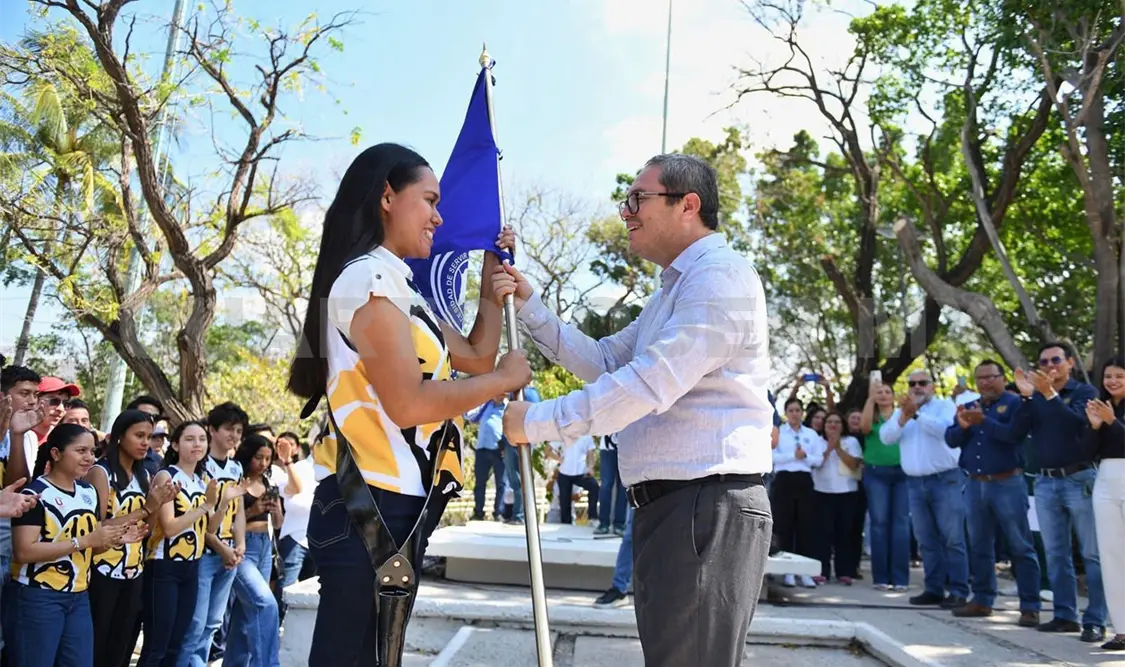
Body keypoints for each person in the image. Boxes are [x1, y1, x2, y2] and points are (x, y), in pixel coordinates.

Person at [498, 153, 773, 667]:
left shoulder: (720, 278)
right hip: (675, 508)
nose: (626, 212)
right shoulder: (672, 292)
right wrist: (529, 304)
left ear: (688, 205)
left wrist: (536, 422)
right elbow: (604, 360)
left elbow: (650, 382)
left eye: (637, 198)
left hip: (704, 506)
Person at [286, 143, 531, 666]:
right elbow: (408, 402)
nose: (439, 217)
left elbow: (476, 356)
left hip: (395, 504)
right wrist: (502, 381)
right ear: (387, 197)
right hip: (367, 504)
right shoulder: (368, 280)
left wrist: (491, 272)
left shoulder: (399, 285)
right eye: (430, 200)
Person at [4, 424, 145, 667]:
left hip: (78, 595)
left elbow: (91, 547)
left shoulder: (88, 491)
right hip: (38, 595)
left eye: (92, 451)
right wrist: (83, 541)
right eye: (81, 451)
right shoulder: (35, 493)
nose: (89, 457)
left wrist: (113, 539)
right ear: (56, 453)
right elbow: (24, 551)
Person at [1012, 342, 1106, 641]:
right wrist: (1027, 397)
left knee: (1092, 554)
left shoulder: (1085, 392)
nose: (1050, 365)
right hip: (1045, 482)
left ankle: (1096, 619)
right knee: (1055, 553)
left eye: (1056, 360)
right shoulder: (1036, 395)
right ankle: (1065, 616)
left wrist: (1050, 395)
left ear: (1070, 363)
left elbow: (1076, 425)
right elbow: (1017, 431)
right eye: (1044, 361)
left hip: (1079, 479)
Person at [943, 362, 1041, 626]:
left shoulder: (1015, 403)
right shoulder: (970, 406)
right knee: (979, 545)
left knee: (1020, 545)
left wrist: (984, 421)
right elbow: (950, 440)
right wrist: (963, 426)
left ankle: (1030, 606)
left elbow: (1013, 436)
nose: (984, 382)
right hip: (975, 484)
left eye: (990, 377)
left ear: (1002, 378)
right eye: (980, 378)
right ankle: (982, 600)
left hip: (1007, 482)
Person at [86, 410, 176, 667]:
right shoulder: (100, 473)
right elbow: (97, 528)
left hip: (133, 571)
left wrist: (159, 503)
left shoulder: (144, 475)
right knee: (97, 646)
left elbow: (146, 529)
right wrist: (146, 508)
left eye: (148, 436)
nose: (145, 443)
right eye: (139, 436)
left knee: (122, 647)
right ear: (119, 436)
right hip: (101, 570)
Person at [880, 370, 968, 609]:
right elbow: (886, 437)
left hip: (945, 480)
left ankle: (959, 590)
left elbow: (945, 432)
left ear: (933, 386)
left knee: (952, 538)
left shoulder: (944, 406)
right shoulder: (902, 412)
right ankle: (933, 589)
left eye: (922, 383)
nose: (917, 387)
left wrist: (916, 415)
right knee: (926, 539)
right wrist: (902, 418)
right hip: (915, 483)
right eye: (912, 383)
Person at [137, 421, 221, 667]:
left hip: (191, 566)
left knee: (177, 644)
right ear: (175, 445)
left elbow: (210, 529)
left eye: (202, 439)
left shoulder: (201, 480)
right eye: (189, 439)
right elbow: (170, 528)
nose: (197, 444)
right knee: (157, 646)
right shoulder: (167, 476)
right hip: (164, 565)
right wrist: (205, 506)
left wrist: (222, 502)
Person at [182, 401, 250, 667]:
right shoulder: (201, 466)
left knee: (212, 622)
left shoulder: (236, 468)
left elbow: (239, 510)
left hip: (229, 553)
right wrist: (223, 549)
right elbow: (202, 519)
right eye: (229, 429)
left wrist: (240, 544)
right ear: (212, 429)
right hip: (204, 551)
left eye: (239, 431)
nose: (234, 436)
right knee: (195, 623)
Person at [226, 433, 283, 667]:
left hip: (264, 546)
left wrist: (275, 509)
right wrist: (253, 510)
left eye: (268, 459)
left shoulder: (269, 484)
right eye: (259, 457)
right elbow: (229, 522)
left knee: (244, 614)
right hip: (243, 545)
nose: (263, 463)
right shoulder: (237, 481)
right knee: (265, 604)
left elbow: (278, 524)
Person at [1084, 356, 1125, 651]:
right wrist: (1094, 427)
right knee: (1110, 555)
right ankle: (1122, 629)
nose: (1112, 381)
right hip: (1105, 479)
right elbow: (1086, 452)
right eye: (1108, 376)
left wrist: (1113, 422)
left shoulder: (1112, 413)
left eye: (1119, 376)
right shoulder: (1100, 405)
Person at [860, 380, 910, 592]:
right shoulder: (872, 416)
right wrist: (870, 399)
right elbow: (863, 428)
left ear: (893, 395)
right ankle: (881, 577)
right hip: (876, 474)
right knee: (879, 523)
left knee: (901, 525)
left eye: (887, 391)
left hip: (902, 473)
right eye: (879, 392)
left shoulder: (901, 415)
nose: (883, 394)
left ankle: (900, 578)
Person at [773, 398, 826, 588]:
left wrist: (805, 456)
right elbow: (772, 457)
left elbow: (819, 459)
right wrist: (792, 456)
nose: (794, 414)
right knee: (785, 526)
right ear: (786, 413)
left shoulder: (811, 434)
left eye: (797, 410)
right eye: (791, 410)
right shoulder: (779, 432)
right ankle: (788, 572)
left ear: (802, 412)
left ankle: (804, 572)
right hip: (784, 480)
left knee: (806, 526)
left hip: (804, 481)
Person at [813, 412, 863, 585]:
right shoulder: (817, 441)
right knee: (822, 533)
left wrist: (838, 448)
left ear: (843, 425)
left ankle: (844, 572)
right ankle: (822, 571)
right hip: (822, 491)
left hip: (847, 492)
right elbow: (815, 463)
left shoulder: (851, 442)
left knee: (845, 533)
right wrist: (829, 448)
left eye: (837, 422)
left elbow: (854, 464)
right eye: (829, 422)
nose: (833, 425)